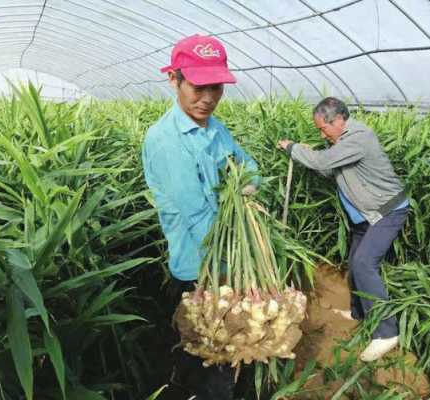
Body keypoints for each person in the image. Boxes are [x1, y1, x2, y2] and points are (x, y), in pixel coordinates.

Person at [142, 34, 259, 399]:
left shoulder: (214, 129)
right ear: (174, 79)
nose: (208, 98)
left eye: (216, 87)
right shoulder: (165, 141)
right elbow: (198, 220)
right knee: (214, 368)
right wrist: (238, 279)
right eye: (198, 86)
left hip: (229, 264)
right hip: (202, 270)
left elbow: (249, 166)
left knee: (220, 361)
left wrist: (249, 184)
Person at [277, 97, 409, 362]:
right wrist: (309, 154)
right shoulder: (341, 143)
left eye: (322, 128)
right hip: (365, 216)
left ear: (338, 121)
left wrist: (293, 149)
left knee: (363, 263)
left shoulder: (358, 137)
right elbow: (332, 169)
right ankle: (360, 312)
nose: (321, 133)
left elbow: (324, 163)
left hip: (387, 211)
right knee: (354, 261)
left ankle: (387, 332)